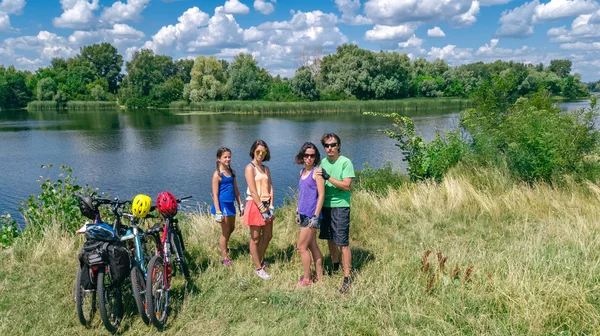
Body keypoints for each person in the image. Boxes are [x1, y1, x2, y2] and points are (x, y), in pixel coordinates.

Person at [316, 133, 355, 294]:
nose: (330, 148)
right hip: (325, 206)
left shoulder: (345, 162)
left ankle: (347, 277)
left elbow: (346, 186)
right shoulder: (323, 162)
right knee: (330, 238)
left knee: (342, 243)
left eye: (333, 145)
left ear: (338, 145)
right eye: (326, 145)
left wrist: (328, 176)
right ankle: (335, 264)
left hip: (340, 206)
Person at [242, 140, 275, 280]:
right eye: (258, 152)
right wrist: (261, 208)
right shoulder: (250, 168)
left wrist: (271, 206)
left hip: (267, 205)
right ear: (253, 152)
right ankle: (258, 268)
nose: (260, 154)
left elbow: (270, 187)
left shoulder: (266, 168)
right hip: (255, 205)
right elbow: (254, 191)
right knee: (255, 238)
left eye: (263, 152)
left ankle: (260, 259)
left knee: (268, 236)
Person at [294, 142, 324, 287]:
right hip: (303, 214)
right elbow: (302, 195)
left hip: (312, 215)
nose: (309, 158)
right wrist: (297, 212)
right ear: (302, 156)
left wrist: (315, 217)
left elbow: (321, 196)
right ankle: (320, 277)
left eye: (312, 156)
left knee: (301, 247)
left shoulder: (317, 173)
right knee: (312, 246)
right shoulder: (302, 172)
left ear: (315, 157)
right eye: (306, 155)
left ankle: (307, 280)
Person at [211, 147, 244, 267]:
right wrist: (218, 211)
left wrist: (240, 204)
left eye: (229, 156)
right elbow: (215, 194)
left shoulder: (232, 172)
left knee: (232, 228)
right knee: (225, 232)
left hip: (231, 204)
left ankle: (223, 247)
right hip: (222, 205)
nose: (228, 159)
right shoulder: (217, 175)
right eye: (225, 157)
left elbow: (236, 189)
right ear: (219, 159)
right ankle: (225, 257)